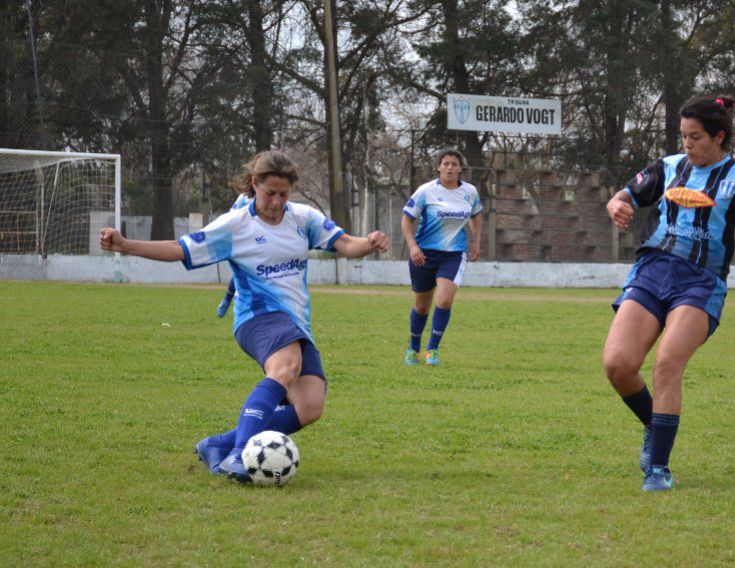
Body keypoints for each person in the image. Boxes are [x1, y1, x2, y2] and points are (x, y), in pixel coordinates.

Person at [99, 150, 390, 483]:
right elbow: (180, 249)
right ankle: (239, 456)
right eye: (270, 194)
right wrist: (126, 245)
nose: (277, 202)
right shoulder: (236, 226)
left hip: (295, 323)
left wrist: (369, 242)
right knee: (286, 367)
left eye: (284, 194)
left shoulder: (303, 218)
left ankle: (218, 444)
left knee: (310, 406)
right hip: (257, 316)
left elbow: (347, 244)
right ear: (255, 184)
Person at [602, 95, 735, 492]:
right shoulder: (667, 168)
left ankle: (658, 469)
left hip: (701, 282)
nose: (687, 144)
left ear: (719, 137)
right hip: (653, 270)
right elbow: (624, 196)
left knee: (667, 362)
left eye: (696, 137)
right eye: (683, 136)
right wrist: (615, 205)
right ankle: (655, 423)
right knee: (617, 364)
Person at [401, 148, 483, 367]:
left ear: (460, 169)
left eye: (454, 164)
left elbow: (476, 215)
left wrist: (476, 243)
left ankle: (432, 350)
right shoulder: (426, 191)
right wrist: (413, 247)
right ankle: (413, 347)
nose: (449, 167)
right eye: (445, 163)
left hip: (454, 254)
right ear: (438, 167)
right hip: (424, 255)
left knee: (445, 300)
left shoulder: (470, 192)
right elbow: (406, 220)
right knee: (421, 306)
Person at [215, 193, 251, 318]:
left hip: (262, 241)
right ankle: (233, 297)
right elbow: (231, 217)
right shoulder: (244, 197)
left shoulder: (271, 196)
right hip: (243, 239)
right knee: (242, 269)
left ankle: (229, 298)